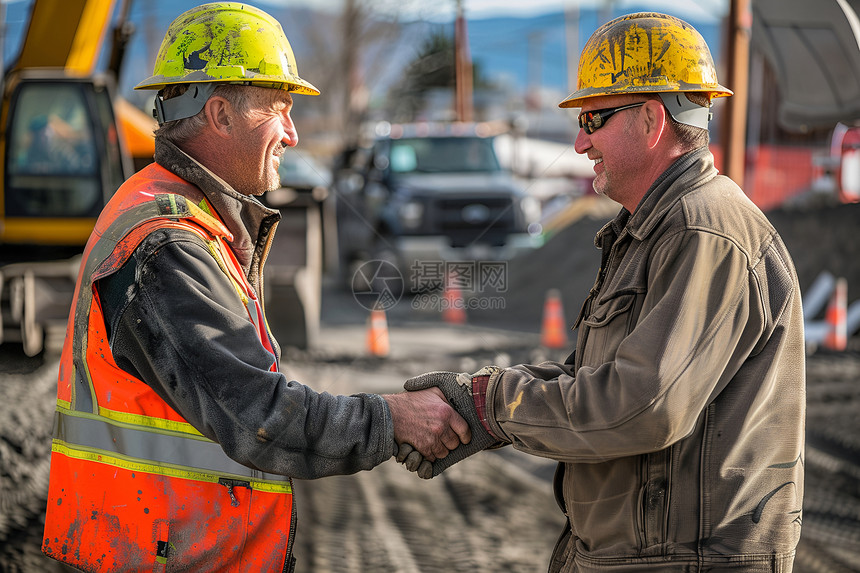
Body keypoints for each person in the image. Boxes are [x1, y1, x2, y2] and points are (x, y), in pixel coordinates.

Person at [40, 4, 469, 572]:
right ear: (219, 113)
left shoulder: (183, 218)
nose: (292, 133)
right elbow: (259, 419)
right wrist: (395, 419)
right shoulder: (165, 245)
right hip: (155, 555)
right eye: (280, 109)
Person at [400, 12, 806, 573]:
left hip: (683, 560)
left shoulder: (701, 232)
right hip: (647, 553)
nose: (579, 142)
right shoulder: (656, 229)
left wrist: (492, 407)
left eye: (593, 118)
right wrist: (484, 397)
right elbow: (603, 380)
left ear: (651, 118)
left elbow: (642, 406)